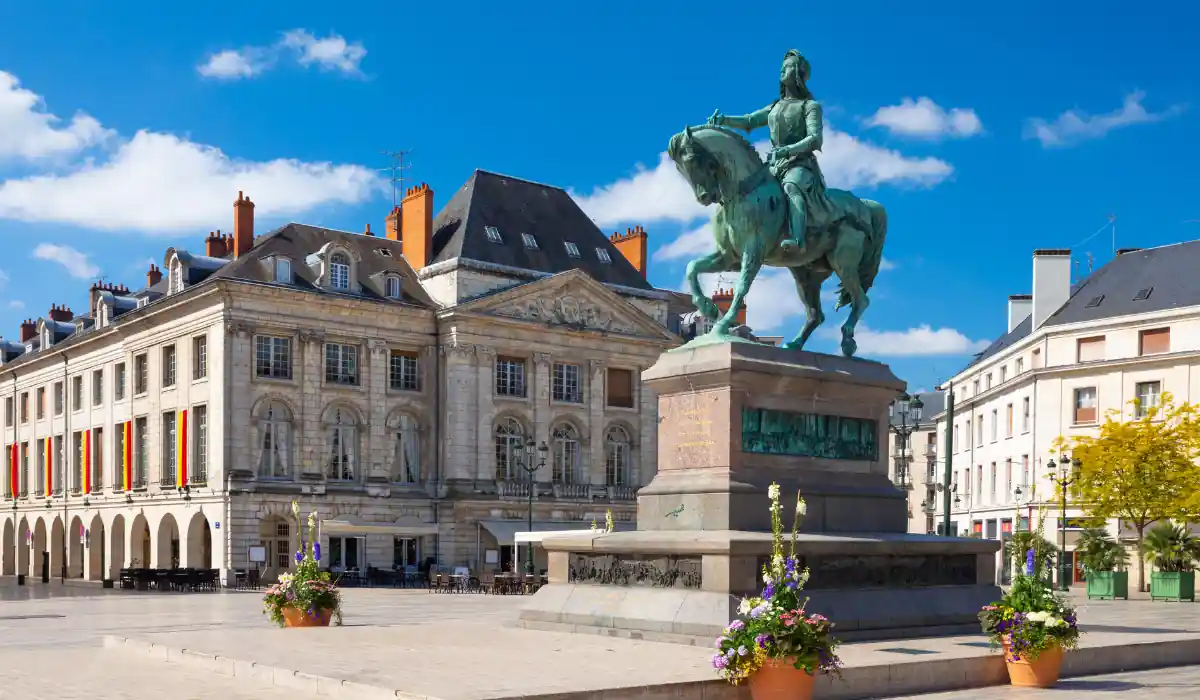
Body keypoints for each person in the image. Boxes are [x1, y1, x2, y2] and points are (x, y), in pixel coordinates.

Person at [708, 49, 837, 252]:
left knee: (791, 187)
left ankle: (797, 239)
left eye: (787, 68)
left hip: (799, 163)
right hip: (775, 164)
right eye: (782, 68)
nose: (782, 72)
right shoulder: (775, 106)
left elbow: (814, 138)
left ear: (798, 74)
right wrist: (725, 120)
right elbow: (750, 120)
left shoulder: (810, 106)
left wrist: (788, 150)